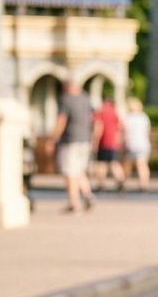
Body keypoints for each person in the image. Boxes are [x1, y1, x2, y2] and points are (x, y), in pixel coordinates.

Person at [48, 80, 96, 214]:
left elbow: (61, 120)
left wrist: (53, 139)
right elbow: (94, 119)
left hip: (70, 140)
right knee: (79, 170)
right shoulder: (86, 99)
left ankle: (73, 202)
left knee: (70, 172)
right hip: (85, 140)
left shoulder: (66, 100)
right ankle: (88, 195)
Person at [92, 94, 127, 192]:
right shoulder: (115, 113)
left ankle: (100, 184)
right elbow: (120, 127)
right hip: (114, 142)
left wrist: (95, 141)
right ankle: (121, 181)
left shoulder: (101, 112)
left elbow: (98, 127)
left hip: (103, 141)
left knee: (101, 163)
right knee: (114, 162)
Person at [123, 97, 152, 192]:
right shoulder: (144, 117)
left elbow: (124, 132)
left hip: (132, 144)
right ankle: (144, 183)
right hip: (143, 143)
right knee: (143, 165)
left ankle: (123, 181)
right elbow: (148, 131)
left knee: (128, 164)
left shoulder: (128, 118)